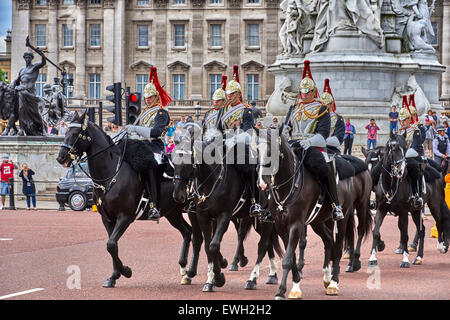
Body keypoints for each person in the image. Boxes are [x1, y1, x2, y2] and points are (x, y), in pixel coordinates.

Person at [282, 60, 344, 221]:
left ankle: (334, 204)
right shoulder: (293, 108)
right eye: (302, 91)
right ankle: (267, 205)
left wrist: (310, 142)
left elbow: (323, 134)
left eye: (308, 91)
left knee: (323, 167)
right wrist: (284, 133)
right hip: (292, 145)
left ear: (313, 91)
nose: (305, 94)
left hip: (310, 146)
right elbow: (285, 127)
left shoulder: (321, 108)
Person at [124, 67, 172, 221]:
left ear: (156, 96)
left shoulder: (161, 113)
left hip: (155, 147)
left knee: (151, 168)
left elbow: (156, 133)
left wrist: (136, 128)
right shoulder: (143, 113)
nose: (147, 100)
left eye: (150, 97)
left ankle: (155, 206)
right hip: (142, 146)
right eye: (146, 97)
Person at [221, 65, 262, 218]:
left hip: (240, 145)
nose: (229, 96)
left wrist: (232, 139)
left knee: (248, 168)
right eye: (227, 94)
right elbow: (218, 128)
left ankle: (254, 200)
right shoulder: (223, 111)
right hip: (222, 143)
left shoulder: (246, 110)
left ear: (238, 94)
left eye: (232, 94)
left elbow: (248, 132)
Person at [398, 94, 426, 208]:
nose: (401, 122)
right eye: (400, 120)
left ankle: (416, 193)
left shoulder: (416, 129)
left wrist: (408, 154)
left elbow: (417, 143)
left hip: (413, 156)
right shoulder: (400, 131)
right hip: (400, 157)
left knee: (414, 168)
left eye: (403, 120)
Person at [321, 79, 345, 156]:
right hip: (315, 148)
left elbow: (338, 139)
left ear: (331, 104)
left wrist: (320, 141)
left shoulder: (338, 119)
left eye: (326, 104)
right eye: (322, 104)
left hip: (331, 149)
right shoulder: (316, 117)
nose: (324, 106)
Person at [203, 75, 227, 140]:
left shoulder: (227, 113)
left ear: (224, 101)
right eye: (214, 100)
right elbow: (204, 129)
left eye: (218, 100)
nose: (215, 102)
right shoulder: (208, 113)